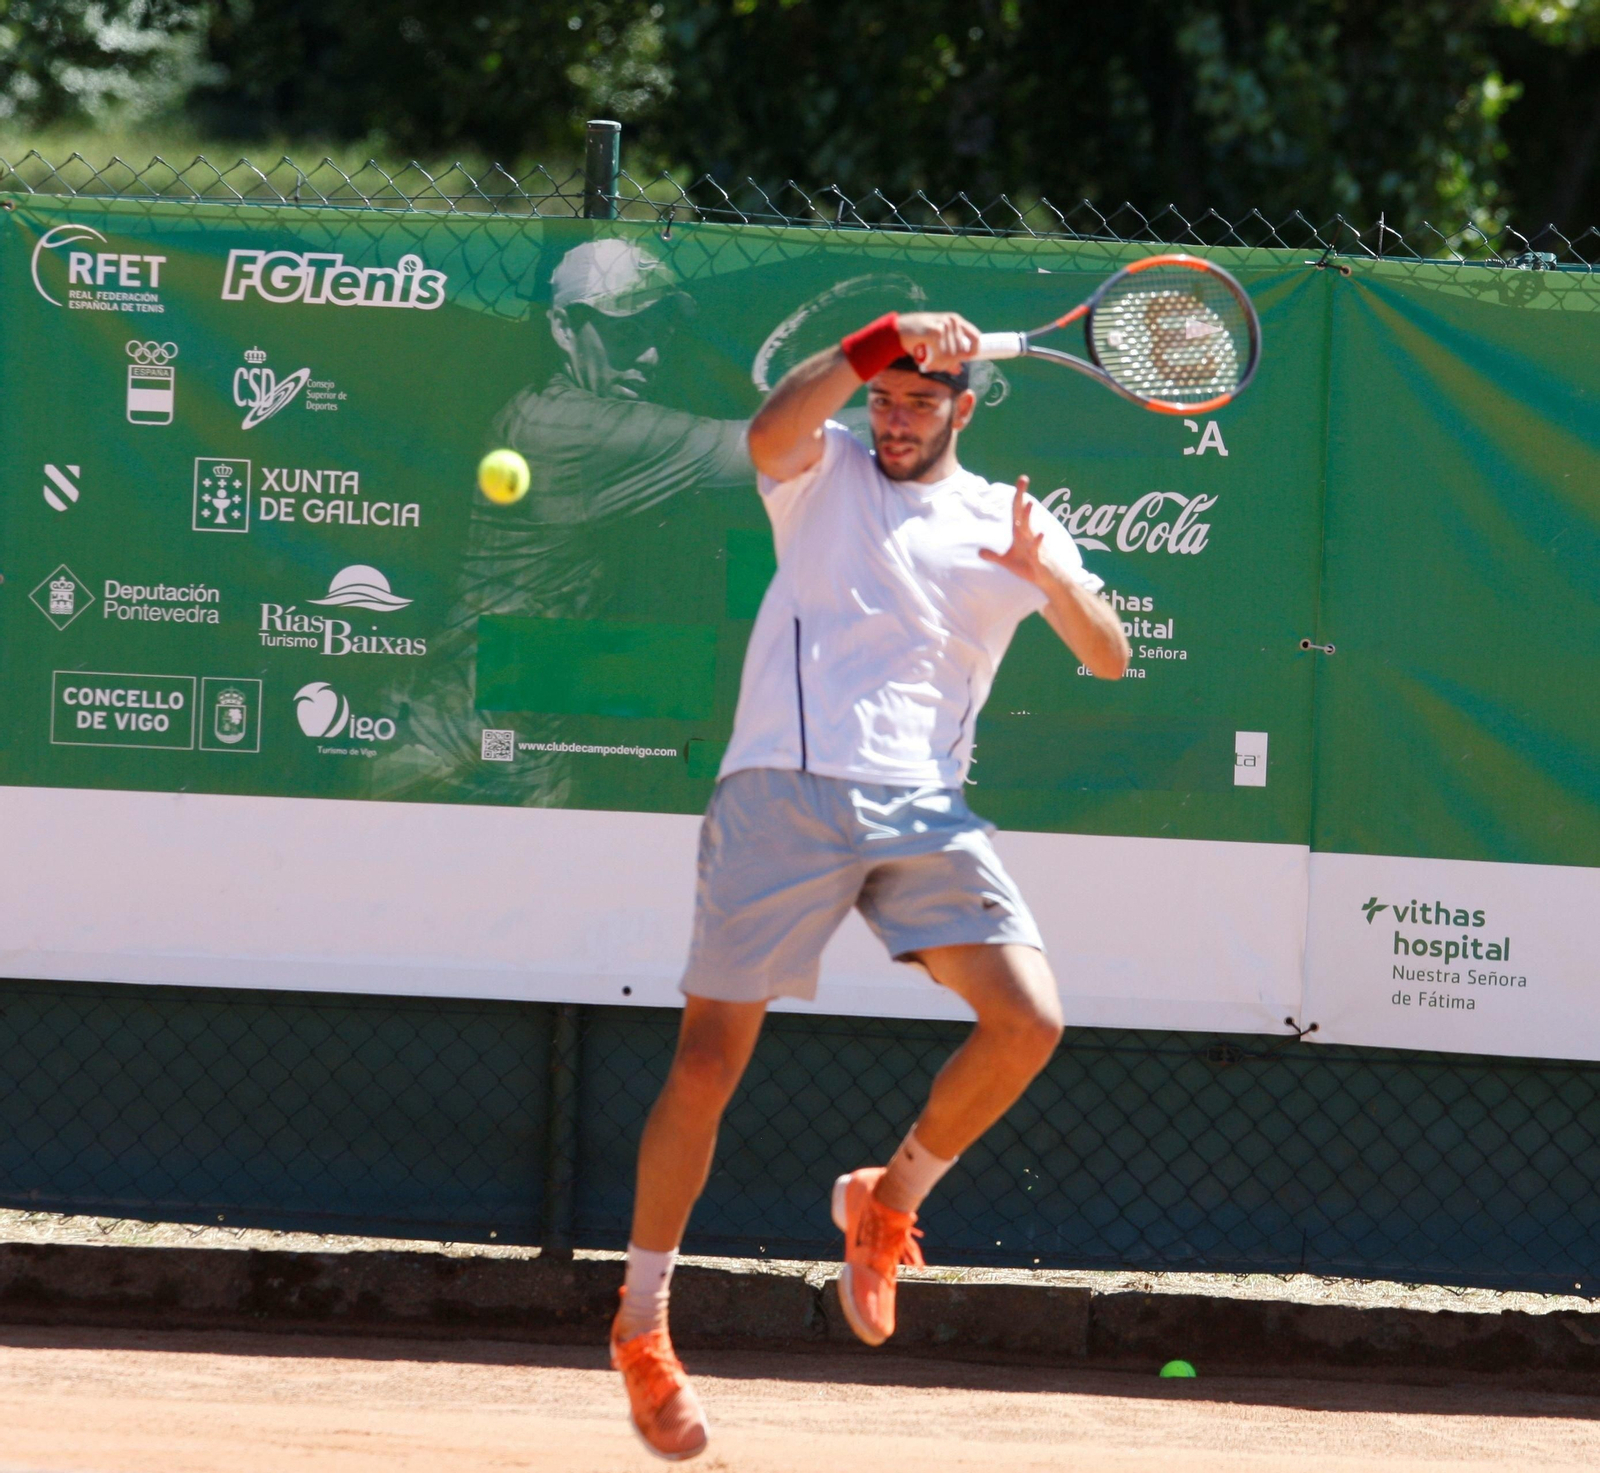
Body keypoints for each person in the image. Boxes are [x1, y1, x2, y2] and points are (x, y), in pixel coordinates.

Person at [609, 309, 1131, 1459]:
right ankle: (643, 1325)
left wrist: (1047, 576)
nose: (891, 423)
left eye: (915, 404)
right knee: (703, 1063)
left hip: (922, 810)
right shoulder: (821, 467)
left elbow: (1108, 653)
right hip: (779, 792)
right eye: (881, 401)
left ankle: (887, 1199)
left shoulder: (1010, 518)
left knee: (1028, 1022)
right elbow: (766, 426)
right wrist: (875, 336)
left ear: (964, 407)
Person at [377, 238, 750, 803]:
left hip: (519, 741)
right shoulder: (578, 433)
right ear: (563, 329)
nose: (649, 356)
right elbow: (774, 447)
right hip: (451, 758)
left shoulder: (557, 408)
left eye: (660, 333)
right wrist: (911, 409)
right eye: (627, 333)